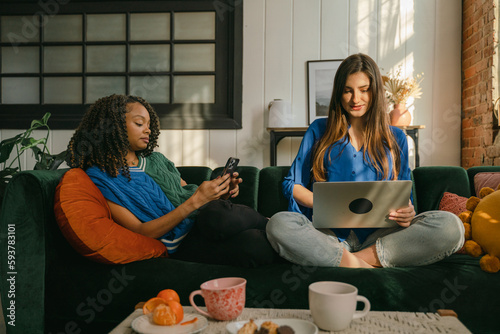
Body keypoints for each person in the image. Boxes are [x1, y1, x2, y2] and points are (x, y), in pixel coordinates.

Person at [266, 53, 464, 268]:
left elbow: (405, 198)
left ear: (375, 91)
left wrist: (407, 212)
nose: (355, 99)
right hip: (328, 235)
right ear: (339, 93)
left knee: (451, 226)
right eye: (347, 90)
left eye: (364, 90)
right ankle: (368, 265)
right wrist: (326, 206)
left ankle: (352, 263)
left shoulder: (396, 138)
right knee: (279, 224)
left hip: (380, 236)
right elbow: (291, 185)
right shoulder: (319, 130)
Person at [67, 94, 278, 268]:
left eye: (149, 124)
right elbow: (140, 231)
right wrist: (197, 201)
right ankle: (275, 229)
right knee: (255, 245)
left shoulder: (156, 160)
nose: (148, 129)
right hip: (182, 242)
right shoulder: (101, 177)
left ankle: (274, 224)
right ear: (112, 126)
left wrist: (219, 192)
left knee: (215, 214)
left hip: (203, 220)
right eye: (140, 123)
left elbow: (185, 191)